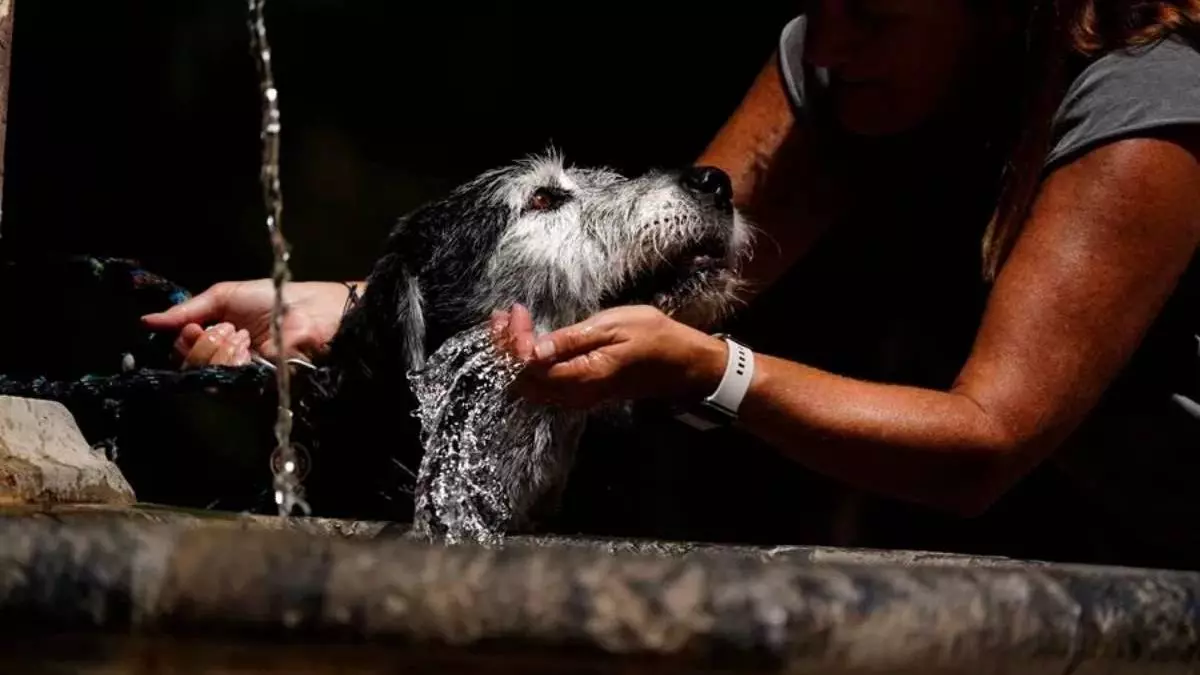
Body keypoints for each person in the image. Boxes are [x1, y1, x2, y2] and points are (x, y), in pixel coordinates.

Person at [145, 1, 1200, 567]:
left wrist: (712, 376)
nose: (824, 43)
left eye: (872, 14)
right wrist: (346, 310)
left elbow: (984, 443)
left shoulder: (1147, 107)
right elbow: (642, 262)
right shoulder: (844, 62)